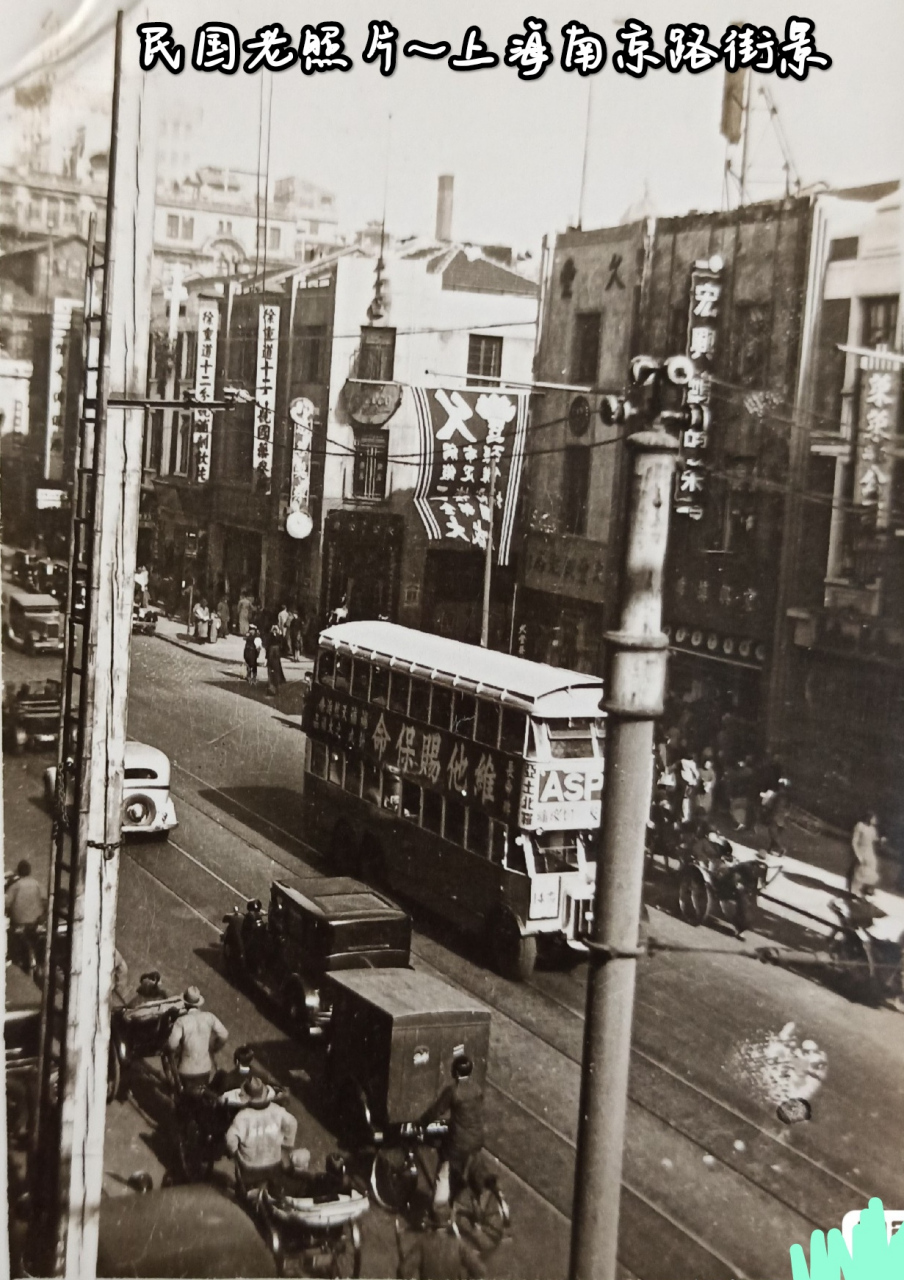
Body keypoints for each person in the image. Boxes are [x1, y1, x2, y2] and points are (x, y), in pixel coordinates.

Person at [424, 1055, 485, 1209]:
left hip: (459, 1141)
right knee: (469, 1166)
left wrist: (422, 1123)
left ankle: (439, 1213)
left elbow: (437, 1111)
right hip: (478, 1138)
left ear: (455, 1073)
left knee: (443, 1170)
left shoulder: (453, 1091)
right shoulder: (477, 1089)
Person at [225, 1075, 298, 1190]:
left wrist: (234, 1153)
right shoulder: (278, 1111)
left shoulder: (242, 1117)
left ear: (248, 1096)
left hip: (250, 1169)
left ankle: (244, 1187)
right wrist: (286, 1144)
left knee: (239, 1162)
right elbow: (292, 1123)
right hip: (274, 1164)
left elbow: (230, 1139)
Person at [396, 1203, 485, 1280]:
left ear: (431, 1224)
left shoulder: (422, 1244)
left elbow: (403, 1272)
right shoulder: (458, 1244)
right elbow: (480, 1270)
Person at [166, 986, 228, 1090]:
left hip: (186, 1069)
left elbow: (172, 1044)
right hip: (205, 1067)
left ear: (185, 1003)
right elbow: (224, 1034)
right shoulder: (209, 1017)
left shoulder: (181, 1021)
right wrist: (214, 1048)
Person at [849, 812, 882, 897]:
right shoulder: (860, 826)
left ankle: (865, 890)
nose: (875, 820)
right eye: (873, 818)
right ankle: (853, 891)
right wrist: (857, 854)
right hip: (861, 850)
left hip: (869, 852)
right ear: (869, 818)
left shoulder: (872, 829)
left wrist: (880, 840)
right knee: (860, 871)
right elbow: (854, 841)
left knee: (870, 870)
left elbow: (874, 839)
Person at [266, 625, 287, 698]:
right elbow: (267, 647)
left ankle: (275, 687)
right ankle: (271, 688)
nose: (274, 631)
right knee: (271, 672)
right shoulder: (270, 637)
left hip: (276, 656)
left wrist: (281, 635)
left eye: (276, 630)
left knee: (276, 672)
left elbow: (283, 644)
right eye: (273, 630)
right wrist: (266, 658)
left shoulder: (279, 637)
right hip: (271, 656)